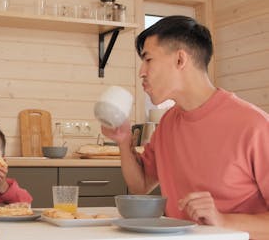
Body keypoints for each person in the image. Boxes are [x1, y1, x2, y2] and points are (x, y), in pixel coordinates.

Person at [101, 15, 269, 239]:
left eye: (148, 59)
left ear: (180, 60)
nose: (141, 71)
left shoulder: (255, 125)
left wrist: (221, 220)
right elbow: (140, 185)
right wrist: (124, 142)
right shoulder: (168, 123)